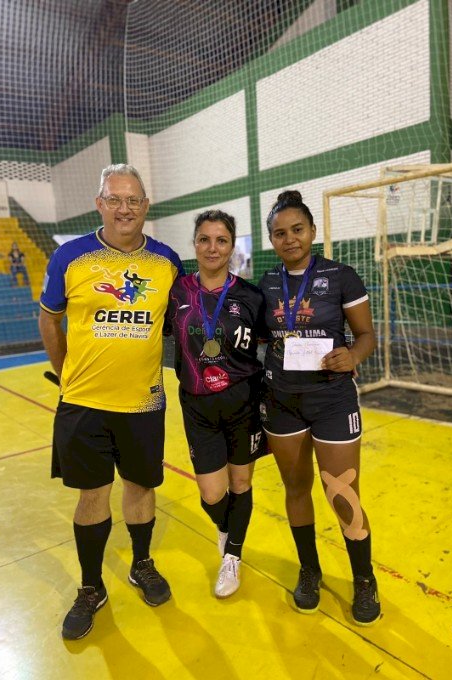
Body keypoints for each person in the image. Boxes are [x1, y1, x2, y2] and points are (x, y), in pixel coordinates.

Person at [39, 164, 184, 640]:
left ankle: (142, 564)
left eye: (134, 200)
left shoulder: (167, 262)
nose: (125, 208)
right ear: (100, 203)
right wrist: (65, 376)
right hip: (84, 403)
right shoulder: (70, 257)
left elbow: (175, 327)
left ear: (146, 206)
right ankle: (90, 586)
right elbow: (49, 319)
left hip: (143, 403)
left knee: (141, 488)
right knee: (92, 494)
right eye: (115, 199)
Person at [258, 190, 380, 626]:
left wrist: (354, 356)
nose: (289, 239)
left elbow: (366, 336)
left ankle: (364, 578)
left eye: (297, 230)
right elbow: (257, 338)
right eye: (279, 233)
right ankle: (309, 570)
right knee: (295, 490)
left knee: (342, 494)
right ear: (270, 239)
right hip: (282, 402)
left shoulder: (341, 276)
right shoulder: (268, 283)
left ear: (312, 231)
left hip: (332, 399)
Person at [167, 209, 267, 598]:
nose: (213, 247)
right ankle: (227, 529)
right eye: (205, 239)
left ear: (232, 246)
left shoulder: (251, 296)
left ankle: (233, 558)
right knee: (212, 493)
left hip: (243, 403)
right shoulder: (176, 292)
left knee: (241, 482)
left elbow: (272, 343)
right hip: (197, 406)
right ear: (194, 244)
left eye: (221, 240)